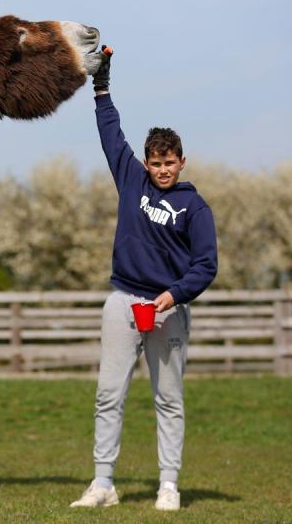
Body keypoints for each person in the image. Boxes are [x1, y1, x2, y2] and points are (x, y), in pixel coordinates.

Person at [70, 47, 218, 511]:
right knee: (107, 395)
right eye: (155, 162)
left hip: (167, 309)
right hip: (123, 303)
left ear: (182, 161)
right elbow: (111, 135)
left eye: (169, 162)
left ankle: (168, 485)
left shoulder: (196, 209)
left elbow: (206, 265)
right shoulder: (132, 181)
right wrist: (102, 87)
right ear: (148, 162)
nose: (162, 169)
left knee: (168, 399)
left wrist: (173, 297)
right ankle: (103, 484)